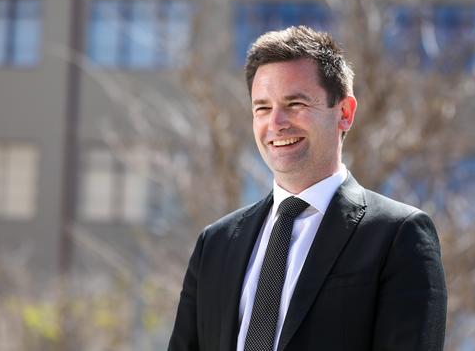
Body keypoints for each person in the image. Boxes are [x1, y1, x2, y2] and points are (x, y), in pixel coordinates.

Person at [169, 26, 447, 351]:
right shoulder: (215, 244)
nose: (276, 123)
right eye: (262, 108)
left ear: (344, 113)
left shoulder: (399, 236)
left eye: (295, 103)